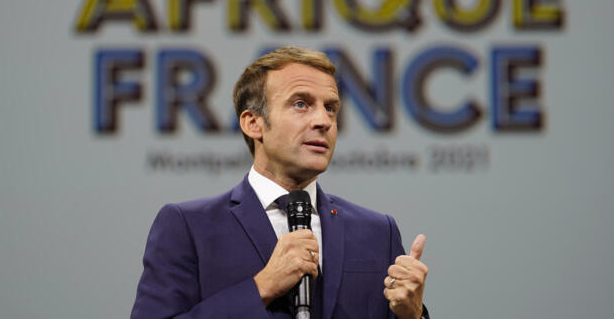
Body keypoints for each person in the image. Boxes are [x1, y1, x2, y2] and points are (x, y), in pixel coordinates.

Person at [131, 46, 429, 319]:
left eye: (330, 108)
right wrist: (262, 286)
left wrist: (412, 315)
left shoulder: (378, 232)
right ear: (253, 123)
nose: (323, 121)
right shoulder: (189, 227)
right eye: (301, 104)